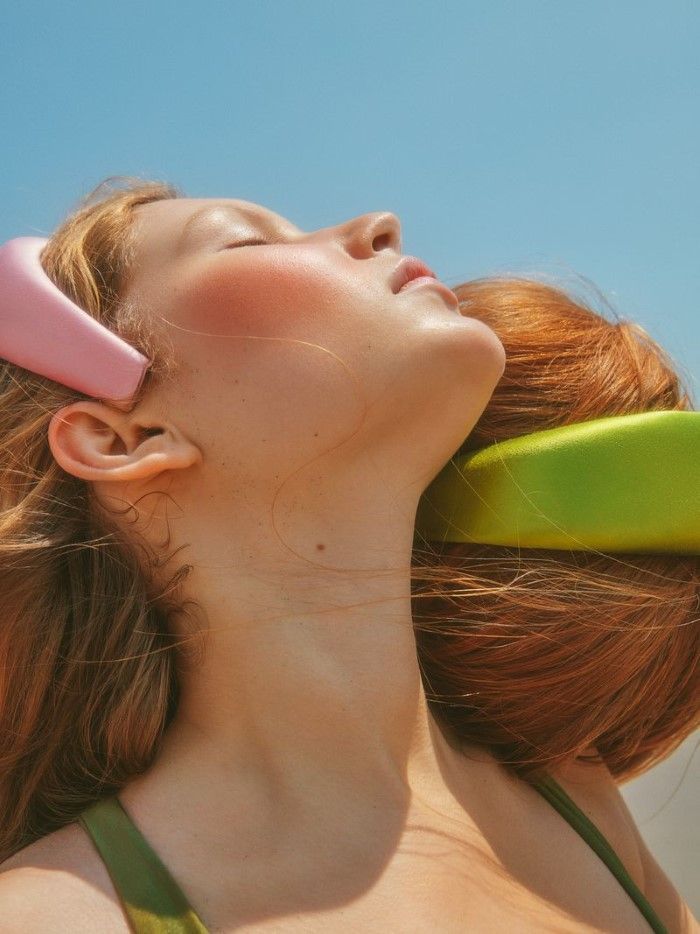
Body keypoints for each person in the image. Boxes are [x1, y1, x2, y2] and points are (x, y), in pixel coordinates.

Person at [0, 177, 696, 933]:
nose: (379, 223)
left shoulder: (582, 806)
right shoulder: (56, 916)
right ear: (121, 439)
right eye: (247, 239)